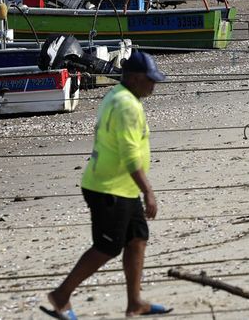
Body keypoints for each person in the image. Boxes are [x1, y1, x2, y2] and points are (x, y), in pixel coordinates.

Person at [43, 52, 171, 320]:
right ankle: (61, 295)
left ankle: (135, 303)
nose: (153, 85)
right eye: (150, 80)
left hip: (123, 187)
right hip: (108, 188)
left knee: (137, 238)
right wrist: (148, 191)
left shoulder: (117, 95)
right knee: (107, 246)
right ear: (134, 78)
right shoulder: (126, 105)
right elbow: (129, 155)